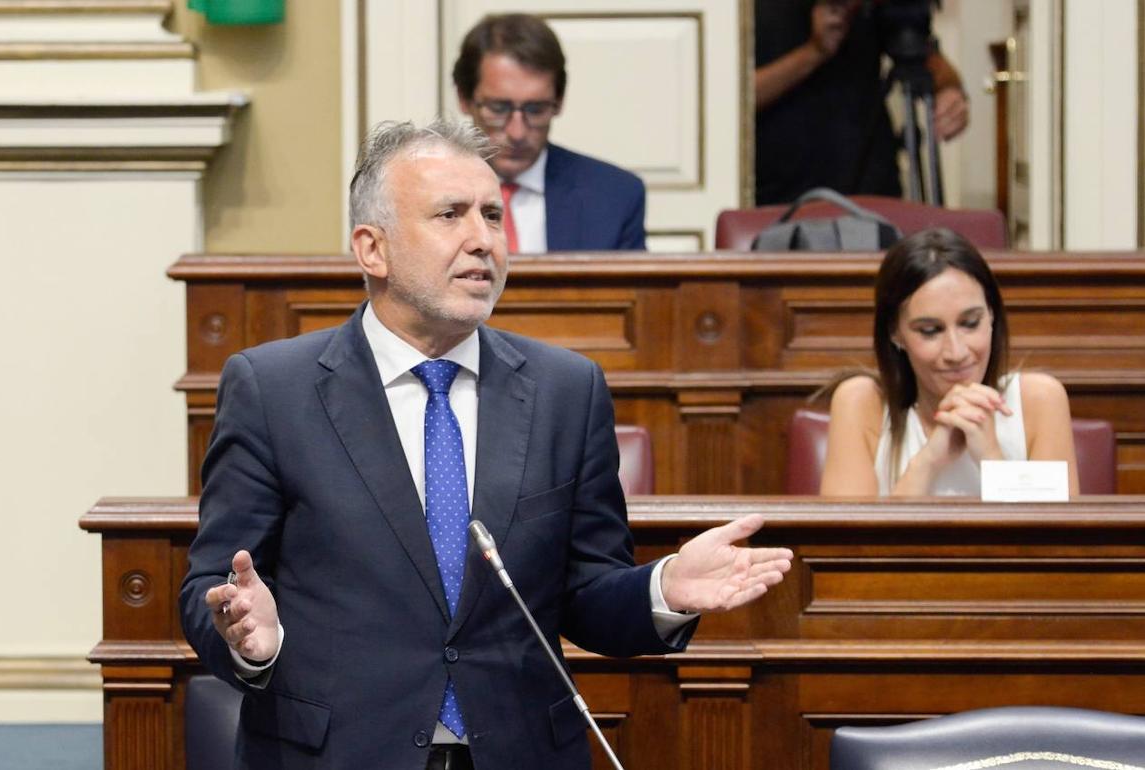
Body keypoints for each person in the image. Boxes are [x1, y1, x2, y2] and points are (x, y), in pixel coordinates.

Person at [179, 118, 793, 769]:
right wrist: (251, 639)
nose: (484, 240)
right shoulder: (274, 389)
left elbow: (584, 595)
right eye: (450, 215)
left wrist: (664, 589)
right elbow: (211, 586)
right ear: (372, 249)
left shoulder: (566, 389)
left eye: (493, 215)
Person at [821, 228, 1079, 496]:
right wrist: (927, 462)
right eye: (930, 331)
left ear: (992, 314)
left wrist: (992, 458)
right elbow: (851, 526)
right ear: (895, 332)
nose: (956, 352)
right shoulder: (861, 402)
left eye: (970, 323)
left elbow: (1054, 525)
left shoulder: (1039, 399)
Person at [453, 13, 646, 253]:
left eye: (536, 109)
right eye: (498, 109)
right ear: (464, 98)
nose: (517, 132)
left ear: (559, 101)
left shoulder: (614, 195)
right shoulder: (426, 191)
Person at [754, 0, 970, 205]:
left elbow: (919, 51)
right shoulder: (746, 12)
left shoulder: (869, 10)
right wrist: (815, 52)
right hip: (781, 194)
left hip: (871, 188)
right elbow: (742, 98)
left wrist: (950, 90)